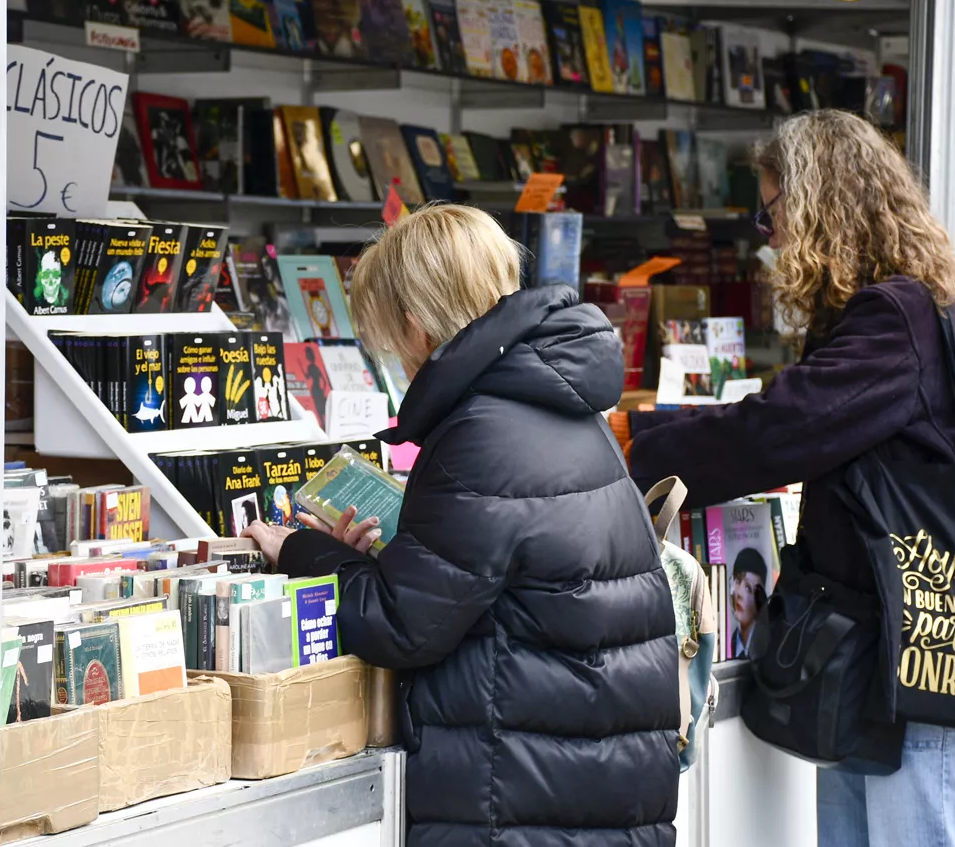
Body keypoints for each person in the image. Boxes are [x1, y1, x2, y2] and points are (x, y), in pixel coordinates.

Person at [245, 204, 679, 847]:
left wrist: (301, 552)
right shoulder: (558, 401)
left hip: (519, 800)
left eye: (389, 338)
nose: (397, 360)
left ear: (415, 325)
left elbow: (403, 624)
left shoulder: (480, 433)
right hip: (587, 786)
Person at [627, 109, 955, 847]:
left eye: (773, 213)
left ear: (820, 203)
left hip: (919, 648)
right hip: (877, 641)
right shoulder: (896, 307)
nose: (772, 236)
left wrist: (634, 451)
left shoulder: (898, 316)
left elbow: (782, 429)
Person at [727, 547, 768, 659]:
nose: (739, 593)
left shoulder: (767, 647)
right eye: (738, 581)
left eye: (748, 588)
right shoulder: (727, 644)